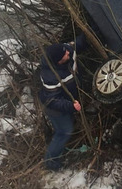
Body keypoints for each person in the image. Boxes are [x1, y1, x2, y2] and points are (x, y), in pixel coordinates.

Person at [39, 33, 86, 171]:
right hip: (55, 109)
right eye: (65, 54)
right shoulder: (49, 76)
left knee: (67, 127)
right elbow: (53, 101)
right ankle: (50, 162)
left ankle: (60, 149)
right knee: (64, 131)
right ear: (59, 61)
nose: (68, 53)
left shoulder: (66, 50)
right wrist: (71, 106)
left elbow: (76, 44)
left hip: (67, 100)